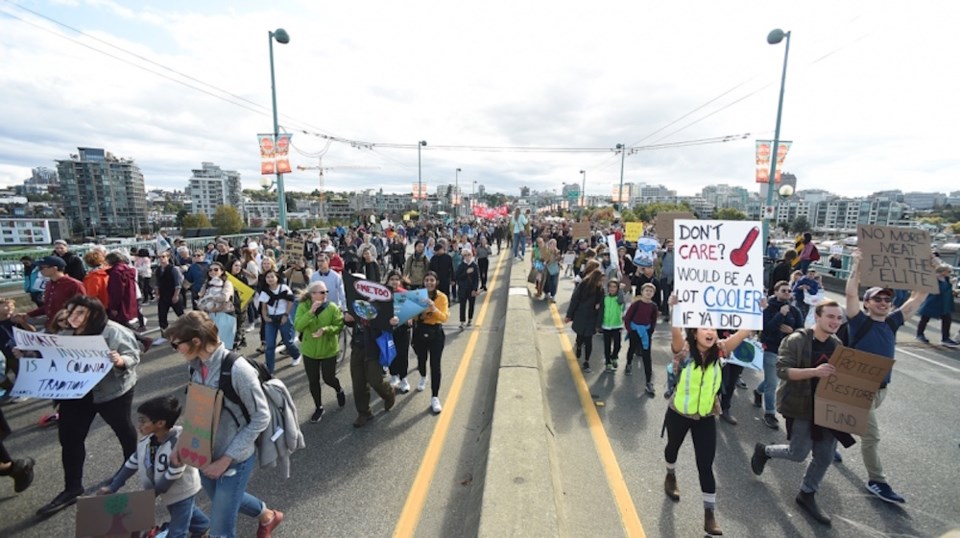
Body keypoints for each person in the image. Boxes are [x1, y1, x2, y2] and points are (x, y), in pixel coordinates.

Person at [165, 311, 284, 538]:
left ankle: (266, 517)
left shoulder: (238, 370)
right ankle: (268, 516)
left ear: (196, 342)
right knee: (226, 500)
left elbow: (261, 417)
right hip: (205, 453)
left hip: (234, 458)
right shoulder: (194, 365)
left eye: (176, 345)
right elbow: (197, 408)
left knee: (219, 530)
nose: (176, 350)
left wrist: (226, 460)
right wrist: (183, 443)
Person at [33, 296, 140, 516]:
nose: (73, 317)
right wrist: (29, 354)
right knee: (70, 438)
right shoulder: (65, 333)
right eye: (70, 312)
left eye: (80, 313)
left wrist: (120, 361)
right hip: (76, 392)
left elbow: (133, 355)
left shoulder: (112, 331)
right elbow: (55, 358)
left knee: (122, 426)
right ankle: (72, 488)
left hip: (111, 391)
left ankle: (133, 459)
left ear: (94, 313)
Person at [750, 300, 853, 526]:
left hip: (827, 408)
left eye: (839, 318)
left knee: (825, 455)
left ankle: (807, 493)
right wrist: (815, 372)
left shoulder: (837, 344)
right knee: (798, 453)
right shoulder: (796, 340)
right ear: (817, 317)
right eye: (831, 316)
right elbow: (782, 370)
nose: (835, 321)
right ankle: (764, 451)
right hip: (801, 406)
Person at [844, 249, 927, 503]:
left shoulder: (892, 322)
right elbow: (850, 293)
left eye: (887, 299)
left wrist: (926, 268)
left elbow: (918, 296)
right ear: (867, 303)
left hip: (882, 389)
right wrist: (857, 266)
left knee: (848, 421)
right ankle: (877, 481)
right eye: (877, 298)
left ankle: (829, 439)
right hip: (860, 388)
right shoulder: (859, 321)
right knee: (872, 436)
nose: (883, 302)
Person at [662, 302, 751, 537]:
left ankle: (709, 514)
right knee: (672, 448)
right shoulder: (684, 350)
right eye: (704, 328)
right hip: (679, 413)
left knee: (705, 465)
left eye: (713, 328)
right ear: (694, 332)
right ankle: (670, 474)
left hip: (705, 417)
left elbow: (743, 332)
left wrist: (755, 309)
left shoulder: (721, 350)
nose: (710, 332)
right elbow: (676, 333)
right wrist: (675, 309)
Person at [98, 395, 210, 538]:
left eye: (143, 421)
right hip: (165, 492)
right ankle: (202, 525)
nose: (139, 424)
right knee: (183, 511)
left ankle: (199, 529)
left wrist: (151, 496)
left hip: (183, 491)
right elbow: (132, 463)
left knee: (177, 532)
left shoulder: (179, 443)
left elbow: (173, 474)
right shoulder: (147, 441)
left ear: (160, 423)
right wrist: (113, 486)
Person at [294, 281, 346, 423]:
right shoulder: (303, 307)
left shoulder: (332, 307)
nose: (325, 295)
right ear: (312, 294)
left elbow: (339, 326)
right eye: (322, 292)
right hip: (310, 351)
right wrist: (310, 312)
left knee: (328, 378)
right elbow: (298, 325)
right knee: (313, 380)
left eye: (326, 292)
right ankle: (319, 407)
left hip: (328, 349)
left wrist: (325, 330)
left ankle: (338, 389)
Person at [755, 281, 803, 430]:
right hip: (771, 348)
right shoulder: (768, 308)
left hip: (787, 352)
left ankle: (758, 391)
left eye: (789, 290)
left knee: (773, 380)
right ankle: (770, 413)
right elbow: (766, 329)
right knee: (773, 383)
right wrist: (780, 315)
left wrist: (792, 332)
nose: (787, 293)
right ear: (775, 292)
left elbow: (802, 331)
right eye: (783, 290)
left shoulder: (795, 311)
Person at [411, 272, 448, 414]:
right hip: (420, 331)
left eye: (432, 280)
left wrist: (434, 309)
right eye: (426, 280)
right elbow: (412, 316)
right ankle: (422, 376)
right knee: (421, 358)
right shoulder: (417, 295)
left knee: (435, 365)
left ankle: (435, 396)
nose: (429, 283)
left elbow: (444, 317)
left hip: (436, 333)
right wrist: (420, 313)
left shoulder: (442, 297)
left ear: (436, 282)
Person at [24, 256, 86, 332]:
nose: (39, 270)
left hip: (67, 328)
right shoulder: (49, 284)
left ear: (54, 269)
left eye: (41, 268)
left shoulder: (75, 285)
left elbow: (82, 308)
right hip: (51, 325)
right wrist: (29, 314)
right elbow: (48, 306)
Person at [565, 259, 604, 373]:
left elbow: (601, 307)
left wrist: (598, 324)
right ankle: (578, 347)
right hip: (581, 315)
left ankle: (586, 361)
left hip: (591, 318)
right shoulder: (583, 285)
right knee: (580, 336)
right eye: (600, 281)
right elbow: (575, 300)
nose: (601, 283)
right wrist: (569, 315)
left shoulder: (600, 290)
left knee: (589, 340)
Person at [258, 269, 301, 373]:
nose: (270, 279)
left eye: (272, 277)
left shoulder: (284, 288)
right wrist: (265, 317)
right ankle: (269, 369)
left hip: (283, 317)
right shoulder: (265, 291)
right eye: (268, 277)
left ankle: (296, 355)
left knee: (287, 341)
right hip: (271, 319)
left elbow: (290, 301)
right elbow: (263, 306)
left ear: (277, 278)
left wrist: (286, 315)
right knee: (270, 345)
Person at [623, 283, 658, 394]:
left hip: (646, 333)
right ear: (642, 292)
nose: (648, 293)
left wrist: (650, 332)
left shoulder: (653, 306)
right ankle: (628, 364)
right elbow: (628, 317)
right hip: (635, 330)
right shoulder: (636, 304)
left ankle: (648, 382)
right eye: (646, 290)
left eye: (651, 291)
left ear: (653, 294)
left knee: (647, 356)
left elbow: (653, 321)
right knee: (632, 349)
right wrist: (630, 329)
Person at [385, 270, 414, 394]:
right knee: (391, 353)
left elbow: (412, 310)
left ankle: (403, 378)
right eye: (392, 279)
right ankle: (393, 375)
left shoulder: (406, 294)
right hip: (389, 329)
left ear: (400, 281)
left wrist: (410, 319)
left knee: (403, 354)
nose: (394, 282)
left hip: (403, 329)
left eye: (397, 279)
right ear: (388, 281)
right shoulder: (383, 294)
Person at [197, 262, 237, 350]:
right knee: (212, 344)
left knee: (225, 346)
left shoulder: (227, 283)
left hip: (225, 315)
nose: (212, 272)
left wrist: (210, 297)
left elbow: (225, 297)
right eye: (210, 270)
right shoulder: (207, 283)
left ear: (222, 271)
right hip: (210, 316)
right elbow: (200, 297)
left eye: (216, 270)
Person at [916, 265, 958, 346]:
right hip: (932, 302)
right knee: (925, 318)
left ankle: (945, 338)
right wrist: (949, 284)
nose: (950, 273)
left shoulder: (946, 279)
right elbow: (938, 291)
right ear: (943, 272)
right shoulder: (934, 279)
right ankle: (919, 334)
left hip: (943, 304)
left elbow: (946, 291)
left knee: (947, 319)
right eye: (948, 271)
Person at [155, 251, 186, 340]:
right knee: (162, 316)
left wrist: (176, 295)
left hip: (173, 294)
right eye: (159, 257)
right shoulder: (158, 269)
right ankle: (165, 335)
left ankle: (186, 332)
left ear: (168, 257)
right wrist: (157, 294)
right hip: (163, 295)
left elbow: (178, 283)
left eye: (163, 256)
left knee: (181, 315)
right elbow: (157, 283)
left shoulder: (174, 269)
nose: (161, 259)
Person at [599, 280, 625, 373]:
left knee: (617, 345)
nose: (612, 289)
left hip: (616, 325)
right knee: (607, 345)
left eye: (614, 287)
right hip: (606, 325)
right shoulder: (605, 298)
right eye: (610, 287)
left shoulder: (619, 298)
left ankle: (614, 357)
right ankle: (608, 362)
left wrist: (621, 290)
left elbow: (621, 301)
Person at [455, 249, 480, 330]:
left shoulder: (474, 265)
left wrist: (475, 289)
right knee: (462, 305)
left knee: (471, 304)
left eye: (468, 254)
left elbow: (477, 278)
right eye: (465, 255)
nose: (467, 257)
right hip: (462, 289)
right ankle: (462, 321)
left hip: (471, 289)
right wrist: (466, 272)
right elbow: (457, 277)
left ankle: (470, 319)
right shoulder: (461, 265)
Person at [658, 239, 675, 321]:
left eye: (672, 245)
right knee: (665, 296)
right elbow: (655, 252)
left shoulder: (677, 253)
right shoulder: (663, 253)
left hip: (675, 278)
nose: (671, 246)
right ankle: (666, 313)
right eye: (669, 245)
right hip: (665, 277)